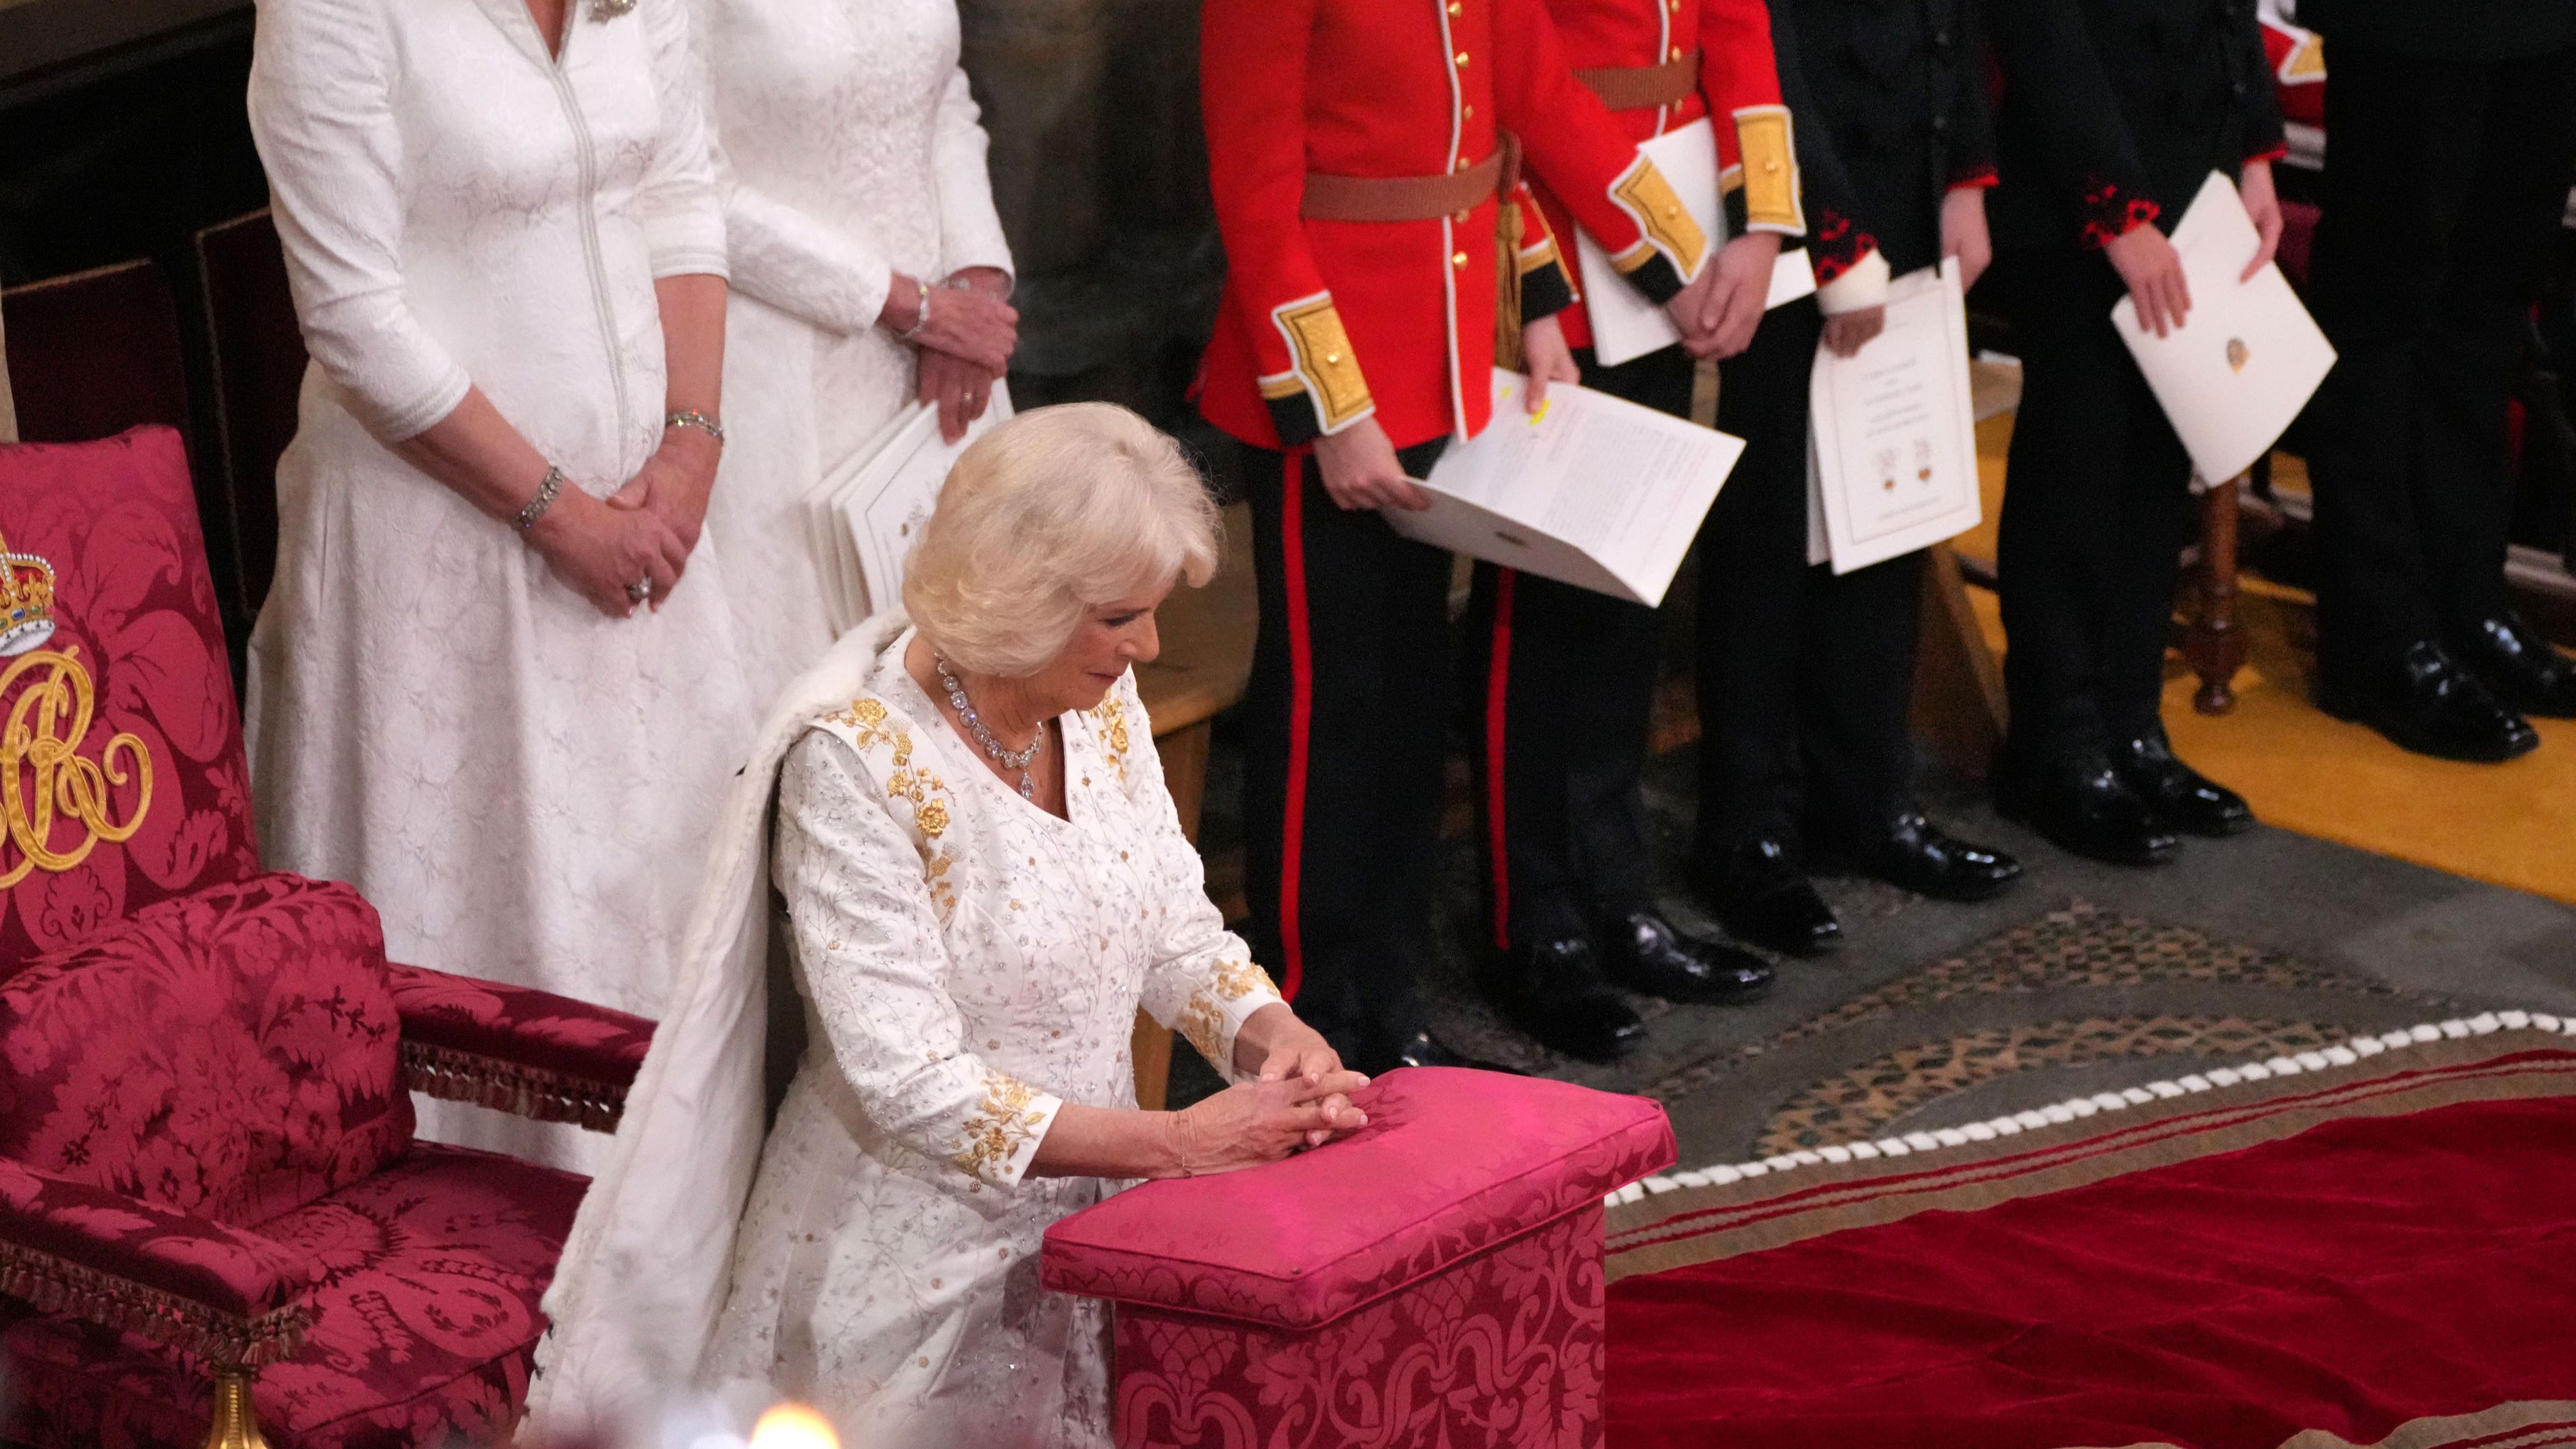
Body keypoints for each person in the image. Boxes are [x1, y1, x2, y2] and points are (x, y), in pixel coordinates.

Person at [529, 405, 1371, 1447]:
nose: (1149, 645)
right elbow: (906, 1078)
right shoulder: (858, 765)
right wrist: (1178, 1144)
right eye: (1121, 617)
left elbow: (1169, 926)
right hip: (898, 1276)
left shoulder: (1095, 703)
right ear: (1023, 597)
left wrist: (1266, 1033)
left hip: (1094, 1234)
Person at [243, 0, 755, 1165]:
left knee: (663, 892)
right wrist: (560, 513)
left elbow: (680, 193)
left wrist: (692, 443)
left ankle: (670, 1280)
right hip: (441, 549)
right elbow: (351, 313)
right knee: (499, 914)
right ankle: (498, 1283)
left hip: (648, 530)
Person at [1200, 0, 1719, 1075]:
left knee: (1402, 705)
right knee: (1329, 708)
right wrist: (1333, 409)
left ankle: (1387, 1004)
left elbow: (1507, 130)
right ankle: (1312, 1014)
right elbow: (1253, 200)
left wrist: (1541, 304)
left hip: (1440, 363)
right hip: (1331, 381)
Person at [1467, 0, 1795, 1060]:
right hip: (1557, 242)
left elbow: (1737, 32)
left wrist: (1757, 227)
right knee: (1536, 610)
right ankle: (1534, 925)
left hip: (1683, 230)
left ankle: (1616, 897)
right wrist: (1665, 246)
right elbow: (1518, 83)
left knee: (1625, 588)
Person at [1691, 0, 2024, 956]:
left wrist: (1961, 171)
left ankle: (1865, 802)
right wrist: (1832, 233)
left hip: (1905, 189)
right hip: (1787, 214)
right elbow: (1765, 51)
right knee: (1766, 538)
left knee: (1883, 514)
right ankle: (1745, 834)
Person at [1982, 0, 2281, 866]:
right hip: (2078, 185)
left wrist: (2253, 151)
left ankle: (2129, 725)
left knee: (2156, 474)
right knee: (2075, 474)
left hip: (2193, 165)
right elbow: (2040, 28)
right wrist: (2115, 206)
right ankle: (2056, 748)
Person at [685, 0, 1021, 706]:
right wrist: (902, 303)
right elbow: (686, 180)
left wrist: (973, 279)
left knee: (964, 683)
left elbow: (943, 99)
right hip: (775, 367)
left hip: (935, 370)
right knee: (809, 697)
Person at [2302, 0, 2576, 761]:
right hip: (2411, 20)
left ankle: (2465, 602)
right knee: (2380, 304)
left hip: (2545, 24)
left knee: (2486, 312)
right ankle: (2377, 633)